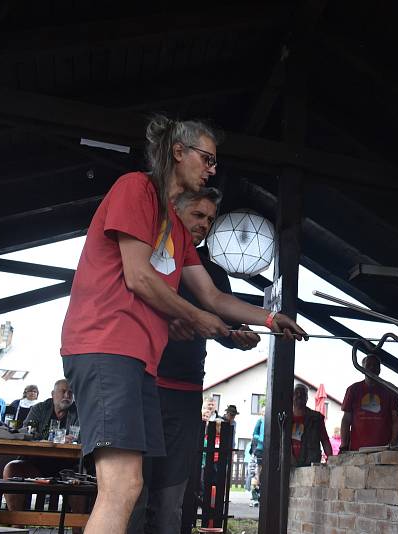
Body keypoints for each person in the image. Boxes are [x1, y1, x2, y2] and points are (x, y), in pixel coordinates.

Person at [60, 115, 307, 534]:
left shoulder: (177, 229)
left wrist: (269, 317)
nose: (212, 168)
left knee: (132, 485)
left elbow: (213, 296)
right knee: (121, 488)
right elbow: (138, 276)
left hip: (141, 362)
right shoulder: (137, 188)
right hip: (105, 345)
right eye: (207, 158)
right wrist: (197, 318)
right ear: (178, 152)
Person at [128, 187, 261, 534]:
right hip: (142, 386)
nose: (204, 225)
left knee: (172, 499)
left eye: (210, 220)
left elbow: (222, 322)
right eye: (198, 216)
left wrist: (238, 336)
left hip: (186, 393)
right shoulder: (148, 256)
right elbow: (128, 307)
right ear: (175, 211)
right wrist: (166, 325)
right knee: (131, 495)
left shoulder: (212, 272)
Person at [3, 379, 80, 511]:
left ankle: (79, 529)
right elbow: (27, 432)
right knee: (11, 469)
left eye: (70, 393)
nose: (67, 396)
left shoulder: (80, 412)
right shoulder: (39, 408)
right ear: (52, 394)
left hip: (68, 467)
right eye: (63, 392)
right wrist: (56, 438)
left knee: (82, 478)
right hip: (36, 464)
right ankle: (16, 525)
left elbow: (83, 437)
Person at [340, 355, 398, 452]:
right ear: (362, 368)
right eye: (369, 365)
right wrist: (344, 445)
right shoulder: (353, 390)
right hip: (357, 450)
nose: (372, 368)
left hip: (384, 449)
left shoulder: (390, 390)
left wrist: (393, 443)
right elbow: (346, 420)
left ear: (380, 369)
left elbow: (396, 418)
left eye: (375, 365)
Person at [290, 384, 332, 467]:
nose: (299, 396)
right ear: (292, 397)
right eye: (296, 393)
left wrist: (331, 459)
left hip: (310, 465)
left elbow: (325, 440)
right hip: (289, 466)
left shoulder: (316, 418)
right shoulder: (285, 418)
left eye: (302, 394)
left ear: (307, 398)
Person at [249, 408, 265, 506]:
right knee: (258, 472)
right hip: (260, 449)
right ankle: (255, 497)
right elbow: (255, 434)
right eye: (263, 412)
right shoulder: (260, 421)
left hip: (269, 449)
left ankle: (262, 495)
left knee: (265, 473)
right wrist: (262, 438)